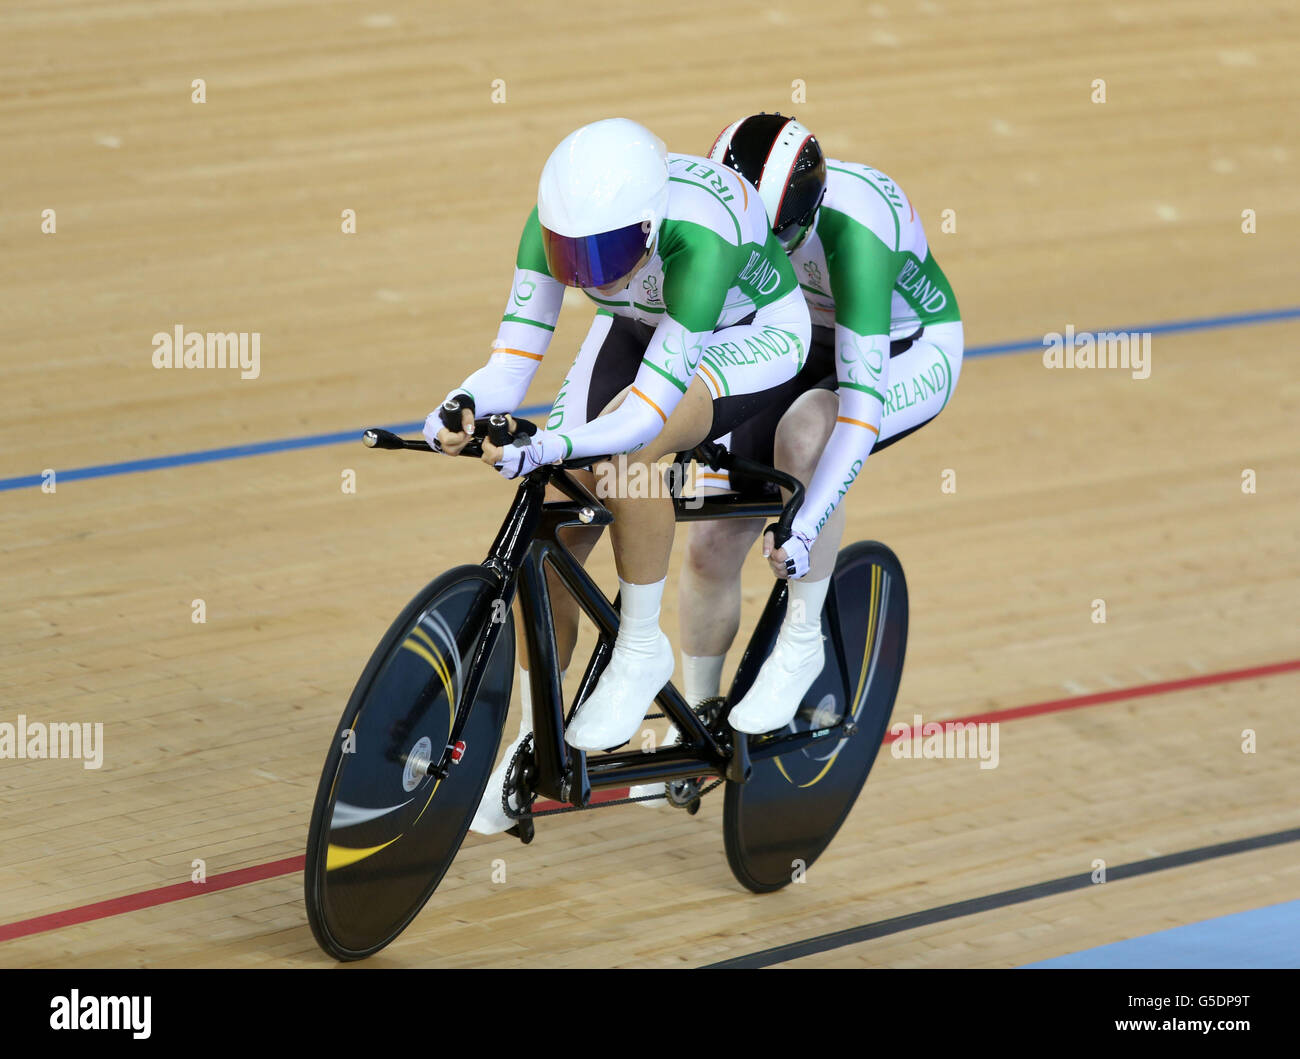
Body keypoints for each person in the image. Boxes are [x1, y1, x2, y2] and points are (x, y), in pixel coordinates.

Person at [424, 117, 812, 833]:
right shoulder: (555, 231)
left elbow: (640, 418)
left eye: (604, 251)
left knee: (628, 466)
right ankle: (530, 737)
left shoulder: (699, 238)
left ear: (651, 224)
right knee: (559, 516)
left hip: (748, 333)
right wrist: (460, 407)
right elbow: (511, 363)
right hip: (641, 319)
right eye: (572, 254)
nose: (587, 270)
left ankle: (640, 647)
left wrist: (551, 442)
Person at [633, 114, 964, 801]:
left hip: (905, 347)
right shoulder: (726, 209)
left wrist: (806, 523)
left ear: (803, 218)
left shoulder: (857, 229)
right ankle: (701, 720)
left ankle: (804, 635)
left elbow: (861, 408)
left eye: (773, 233)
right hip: (798, 334)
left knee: (809, 435)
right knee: (711, 546)